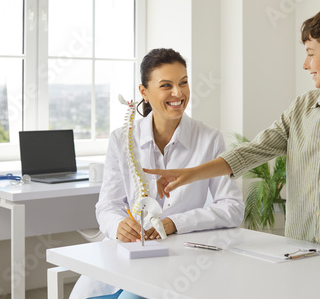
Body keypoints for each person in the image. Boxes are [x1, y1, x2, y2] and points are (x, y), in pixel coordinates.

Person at [145, 0, 320, 275]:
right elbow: (253, 150)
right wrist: (192, 173)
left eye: (310, 53)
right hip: (303, 252)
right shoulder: (303, 107)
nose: (305, 64)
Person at [69, 48, 244, 299]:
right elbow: (107, 205)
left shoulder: (209, 139)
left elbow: (232, 208)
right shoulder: (122, 139)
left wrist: (174, 223)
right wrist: (119, 226)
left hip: (182, 258)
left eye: (183, 82)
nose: (178, 93)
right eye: (166, 85)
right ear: (144, 92)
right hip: (129, 251)